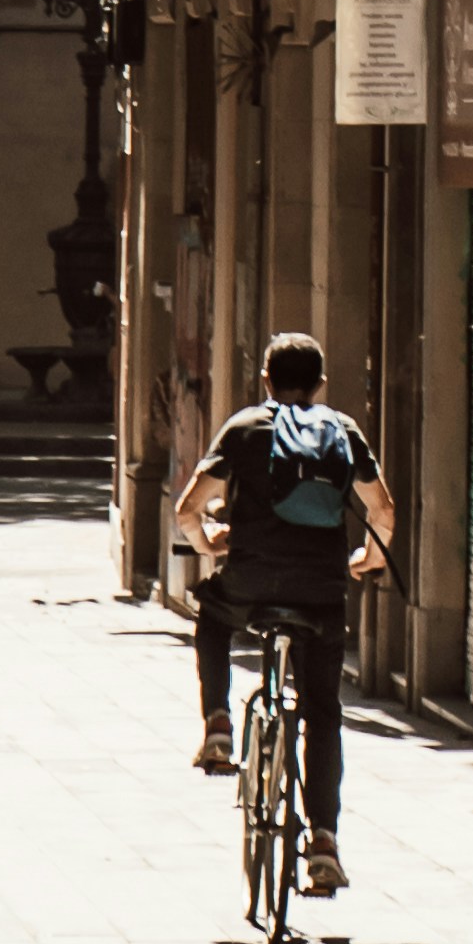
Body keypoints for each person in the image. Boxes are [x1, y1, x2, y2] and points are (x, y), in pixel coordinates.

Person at [171, 327, 391, 900]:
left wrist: (209, 540)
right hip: (321, 589)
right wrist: (364, 559)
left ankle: (218, 724)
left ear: (265, 379)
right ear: (320, 384)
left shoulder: (245, 427)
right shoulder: (341, 432)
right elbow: (383, 510)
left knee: (214, 618)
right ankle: (323, 843)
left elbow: (188, 505)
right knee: (322, 714)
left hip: (250, 578)